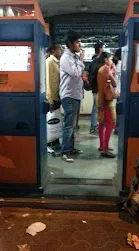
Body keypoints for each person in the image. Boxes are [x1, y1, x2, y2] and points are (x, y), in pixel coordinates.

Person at [59, 30, 85, 162]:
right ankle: (64, 151)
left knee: (73, 125)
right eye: (77, 42)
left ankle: (71, 147)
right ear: (70, 43)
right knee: (68, 125)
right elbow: (76, 73)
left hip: (75, 95)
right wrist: (81, 60)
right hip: (69, 95)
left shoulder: (73, 57)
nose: (79, 44)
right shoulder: (66, 58)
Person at [97, 52, 119, 158]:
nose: (111, 60)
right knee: (111, 124)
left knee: (102, 123)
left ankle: (102, 145)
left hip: (101, 99)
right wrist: (112, 68)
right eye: (110, 58)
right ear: (106, 59)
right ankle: (105, 149)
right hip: (107, 100)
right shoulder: (106, 69)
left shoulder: (101, 69)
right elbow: (114, 83)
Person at [46, 44, 62, 151]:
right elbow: (47, 80)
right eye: (59, 49)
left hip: (57, 95)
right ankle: (49, 142)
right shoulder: (49, 62)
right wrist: (49, 99)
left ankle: (55, 141)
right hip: (52, 96)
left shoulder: (57, 62)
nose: (60, 51)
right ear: (53, 51)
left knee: (56, 120)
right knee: (50, 120)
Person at [88, 41, 105, 134]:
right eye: (103, 47)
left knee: (97, 107)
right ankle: (93, 126)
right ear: (100, 49)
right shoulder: (98, 61)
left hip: (95, 87)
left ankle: (95, 125)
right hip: (97, 88)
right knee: (96, 107)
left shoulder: (94, 61)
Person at [112, 48, 122, 135]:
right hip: (120, 91)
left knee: (118, 111)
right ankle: (118, 128)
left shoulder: (115, 65)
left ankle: (117, 128)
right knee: (120, 111)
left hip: (117, 91)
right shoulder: (120, 65)